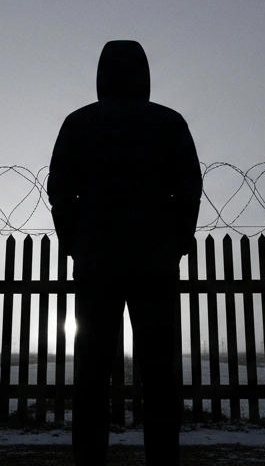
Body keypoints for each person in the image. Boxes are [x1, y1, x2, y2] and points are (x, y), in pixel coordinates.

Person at [48, 40, 203, 466]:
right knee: (159, 373)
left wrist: (75, 243)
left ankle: (89, 460)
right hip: (154, 259)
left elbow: (60, 191)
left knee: (92, 374)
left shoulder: (78, 124)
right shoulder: (168, 123)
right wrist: (177, 241)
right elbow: (189, 187)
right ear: (144, 74)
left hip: (97, 260)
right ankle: (162, 459)